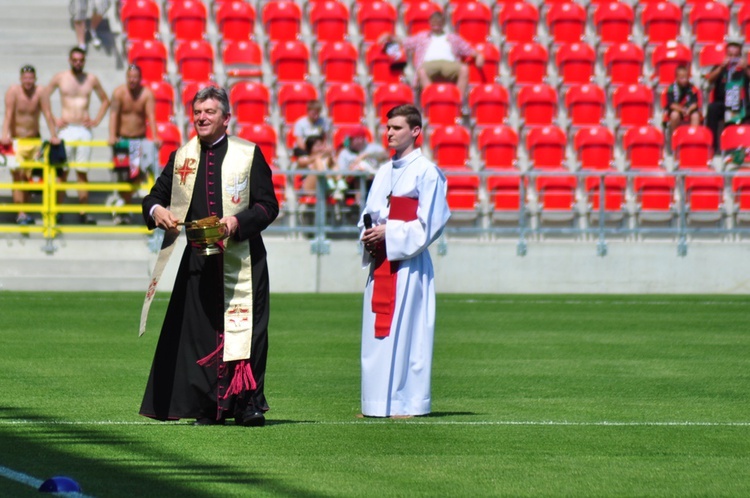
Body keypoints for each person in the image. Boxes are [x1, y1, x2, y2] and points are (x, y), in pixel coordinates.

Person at [139, 86, 279, 427]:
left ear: (226, 118)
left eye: (209, 112)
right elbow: (152, 198)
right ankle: (208, 407)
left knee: (247, 332)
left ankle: (246, 404)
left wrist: (237, 222)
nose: (202, 117)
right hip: (199, 263)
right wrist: (157, 211)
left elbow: (268, 206)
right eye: (197, 112)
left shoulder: (248, 154)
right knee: (199, 334)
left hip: (243, 258)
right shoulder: (182, 157)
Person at [358, 104, 451, 418]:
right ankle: (375, 403)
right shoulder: (384, 171)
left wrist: (390, 232)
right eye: (387, 128)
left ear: (415, 131)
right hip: (381, 261)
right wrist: (369, 234)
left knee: (409, 334)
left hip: (409, 265)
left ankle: (407, 403)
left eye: (396, 128)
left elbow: (430, 225)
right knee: (377, 335)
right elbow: (370, 213)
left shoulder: (427, 172)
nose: (390, 134)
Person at [46, 46, 111, 224]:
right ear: (69, 60)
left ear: (84, 61)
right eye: (74, 60)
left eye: (80, 60)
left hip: (83, 129)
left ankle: (83, 212)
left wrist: (96, 120)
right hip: (66, 129)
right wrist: (53, 117)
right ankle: (57, 211)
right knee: (63, 173)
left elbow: (106, 100)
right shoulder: (61, 77)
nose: (78, 63)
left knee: (82, 173)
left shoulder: (91, 79)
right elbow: (44, 96)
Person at [1, 65, 60, 225]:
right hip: (17, 140)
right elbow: (8, 114)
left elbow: (48, 114)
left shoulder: (40, 92)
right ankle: (20, 213)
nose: (28, 81)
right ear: (21, 79)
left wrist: (54, 135)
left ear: (35, 79)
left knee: (29, 179)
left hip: (34, 140)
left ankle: (25, 211)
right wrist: (4, 135)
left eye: (31, 78)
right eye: (25, 78)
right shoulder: (13, 92)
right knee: (18, 177)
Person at [379, 11, 483, 97]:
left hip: (449, 64)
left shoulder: (453, 38)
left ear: (443, 23)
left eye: (439, 21)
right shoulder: (422, 37)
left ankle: (457, 100)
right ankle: (431, 97)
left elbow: (468, 49)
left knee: (464, 69)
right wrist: (390, 36)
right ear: (430, 23)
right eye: (434, 21)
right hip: (429, 64)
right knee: (421, 71)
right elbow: (406, 42)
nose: (436, 24)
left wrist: (478, 56)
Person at [108, 64, 160, 225]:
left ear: (140, 78)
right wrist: (111, 135)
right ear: (126, 77)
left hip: (138, 140)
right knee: (121, 176)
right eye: (129, 77)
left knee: (136, 176)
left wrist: (156, 136)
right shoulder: (119, 93)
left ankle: (125, 207)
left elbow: (151, 116)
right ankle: (121, 209)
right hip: (122, 139)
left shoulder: (146, 94)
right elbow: (114, 114)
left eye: (135, 77)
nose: (132, 80)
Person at [705, 39, 750, 151]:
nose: (733, 58)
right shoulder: (720, 67)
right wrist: (721, 67)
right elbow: (709, 80)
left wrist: (745, 69)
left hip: (742, 104)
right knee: (712, 109)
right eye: (730, 55)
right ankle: (713, 147)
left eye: (736, 55)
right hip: (723, 103)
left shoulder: (746, 68)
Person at [663, 65, 702, 151]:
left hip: (689, 111)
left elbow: (695, 103)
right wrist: (682, 110)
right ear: (676, 78)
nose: (684, 80)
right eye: (681, 78)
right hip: (677, 110)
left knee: (695, 116)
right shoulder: (671, 89)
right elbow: (671, 104)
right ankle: (675, 140)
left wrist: (689, 110)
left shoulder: (692, 88)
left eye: (685, 77)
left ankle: (693, 141)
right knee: (674, 115)